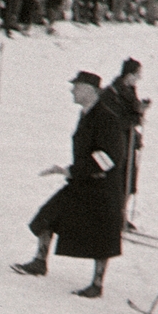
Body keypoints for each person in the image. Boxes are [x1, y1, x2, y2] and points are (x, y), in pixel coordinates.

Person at [11, 71, 126, 298]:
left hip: (102, 187)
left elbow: (109, 158)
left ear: (90, 91)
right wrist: (70, 170)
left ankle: (96, 284)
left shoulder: (106, 117)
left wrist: (71, 170)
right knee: (48, 215)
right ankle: (39, 262)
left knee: (102, 236)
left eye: (77, 87)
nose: (72, 90)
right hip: (82, 182)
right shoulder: (87, 114)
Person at [98, 57, 147, 229]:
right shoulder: (112, 92)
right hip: (115, 142)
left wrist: (140, 111)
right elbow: (115, 119)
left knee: (129, 179)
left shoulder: (130, 90)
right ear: (129, 74)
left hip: (129, 141)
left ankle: (120, 215)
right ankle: (111, 216)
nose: (138, 78)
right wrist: (135, 117)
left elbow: (132, 115)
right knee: (118, 178)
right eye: (137, 74)